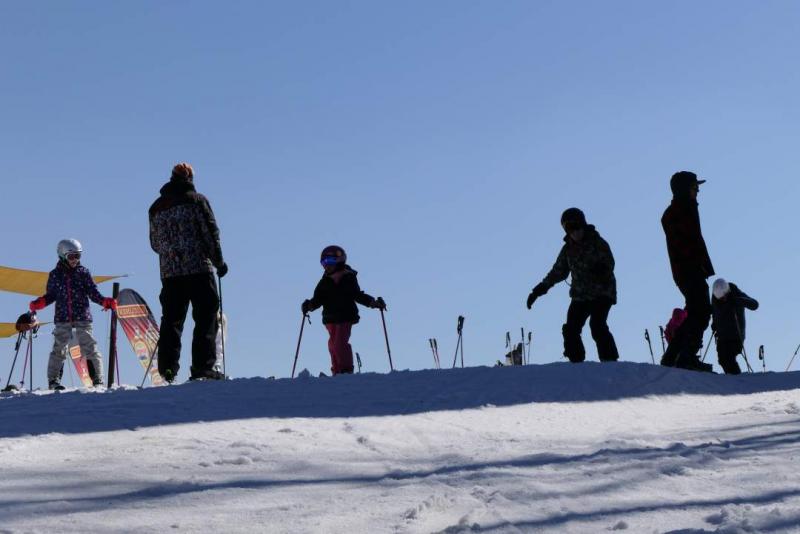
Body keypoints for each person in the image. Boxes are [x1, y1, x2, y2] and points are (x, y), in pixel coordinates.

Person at [149, 163, 228, 383]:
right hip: (198, 268)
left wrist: (170, 254)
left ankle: (167, 369)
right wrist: (219, 262)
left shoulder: (156, 207)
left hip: (170, 273)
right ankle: (203, 368)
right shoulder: (196, 201)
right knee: (206, 315)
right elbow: (210, 234)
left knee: (172, 320)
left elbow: (154, 243)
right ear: (190, 177)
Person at [526, 208, 619, 363]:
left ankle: (609, 360)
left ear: (583, 225)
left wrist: (601, 271)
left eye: (577, 228)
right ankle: (576, 362)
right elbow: (558, 271)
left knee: (597, 325)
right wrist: (539, 290)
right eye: (570, 230)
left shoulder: (597, 242)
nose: (575, 233)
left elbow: (609, 262)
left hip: (601, 293)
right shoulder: (568, 249)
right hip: (580, 295)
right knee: (571, 328)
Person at [29, 239, 116, 390]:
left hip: (82, 316)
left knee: (90, 346)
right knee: (59, 349)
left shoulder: (83, 273)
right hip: (63, 317)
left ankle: (97, 379)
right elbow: (51, 295)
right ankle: (54, 380)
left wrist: (104, 301)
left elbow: (92, 292)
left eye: (78, 256)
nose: (75, 260)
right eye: (71, 256)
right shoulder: (55, 275)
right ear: (62, 256)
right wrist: (41, 302)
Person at [301, 245, 386, 375]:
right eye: (323, 262)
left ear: (340, 260)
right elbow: (318, 299)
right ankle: (336, 370)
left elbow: (357, 295)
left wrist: (373, 303)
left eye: (330, 261)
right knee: (332, 345)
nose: (326, 265)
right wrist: (309, 305)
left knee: (340, 344)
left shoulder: (348, 277)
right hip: (330, 318)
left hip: (345, 315)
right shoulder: (324, 282)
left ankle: (346, 370)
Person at [660, 171, 714, 371]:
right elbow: (685, 243)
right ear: (684, 189)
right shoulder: (678, 211)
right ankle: (686, 356)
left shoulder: (685, 209)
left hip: (690, 269)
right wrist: (696, 263)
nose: (698, 191)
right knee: (700, 311)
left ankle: (674, 355)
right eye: (694, 187)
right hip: (688, 269)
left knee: (695, 311)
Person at [711, 278, 759, 374]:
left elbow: (754, 304)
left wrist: (738, 300)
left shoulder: (735, 293)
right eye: (720, 298)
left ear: (727, 291)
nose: (722, 299)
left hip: (736, 336)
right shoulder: (715, 298)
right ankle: (734, 379)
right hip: (722, 336)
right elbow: (715, 312)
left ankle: (736, 379)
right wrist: (714, 324)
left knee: (728, 358)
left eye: (724, 297)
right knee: (722, 360)